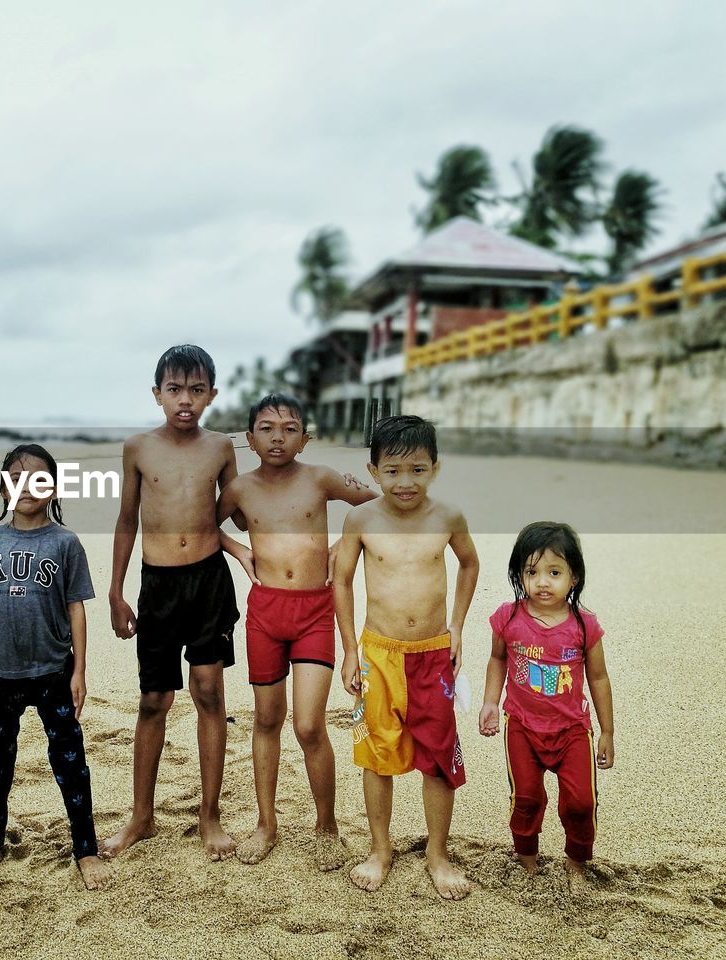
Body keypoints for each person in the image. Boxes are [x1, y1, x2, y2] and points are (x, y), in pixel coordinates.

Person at [101, 344, 255, 862]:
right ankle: (141, 817)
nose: (184, 400)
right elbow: (127, 520)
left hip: (208, 582)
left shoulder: (221, 448)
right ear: (157, 394)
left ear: (212, 394)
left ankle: (208, 816)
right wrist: (117, 590)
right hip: (158, 585)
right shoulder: (138, 448)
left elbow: (234, 512)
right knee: (154, 699)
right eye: (174, 389)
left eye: (195, 389)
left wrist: (245, 543)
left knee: (209, 692)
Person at [216, 394, 376, 870]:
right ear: (249, 439)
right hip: (266, 611)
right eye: (266, 428)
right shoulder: (241, 489)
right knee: (267, 719)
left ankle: (326, 826)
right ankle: (267, 824)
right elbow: (203, 524)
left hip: (313, 611)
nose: (278, 437)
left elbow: (372, 500)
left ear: (305, 437)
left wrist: (343, 548)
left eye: (289, 428)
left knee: (309, 724)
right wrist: (237, 549)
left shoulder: (321, 477)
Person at [333, 414, 478, 900]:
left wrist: (456, 626)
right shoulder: (361, 519)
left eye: (417, 469)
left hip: (434, 656)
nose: (405, 481)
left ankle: (438, 852)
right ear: (373, 471)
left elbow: (469, 563)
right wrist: (351, 648)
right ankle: (380, 848)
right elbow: (342, 580)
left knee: (438, 757)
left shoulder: (448, 516)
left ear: (435, 468)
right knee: (376, 753)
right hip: (378, 654)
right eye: (392, 470)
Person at [0, 444, 112, 890]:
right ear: (3, 486)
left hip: (53, 670)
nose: (27, 487)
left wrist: (80, 669)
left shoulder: (65, 542)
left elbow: (76, 608)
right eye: (17, 478)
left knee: (70, 761)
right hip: (1, 673)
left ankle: (85, 849)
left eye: (38, 478)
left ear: (55, 487)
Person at [478, 521, 614, 887]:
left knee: (581, 802)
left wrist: (607, 731)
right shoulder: (507, 618)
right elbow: (497, 659)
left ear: (573, 577)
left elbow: (599, 678)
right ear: (518, 574)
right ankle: (526, 861)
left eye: (554, 572)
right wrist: (491, 702)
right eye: (532, 571)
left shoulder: (585, 626)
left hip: (572, 730)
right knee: (525, 796)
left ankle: (576, 863)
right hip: (521, 725)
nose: (542, 581)